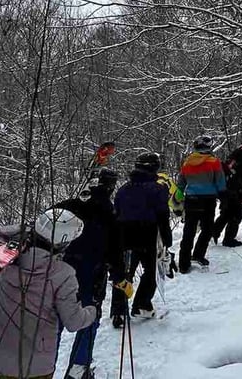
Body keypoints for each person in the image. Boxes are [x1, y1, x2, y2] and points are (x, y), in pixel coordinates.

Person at [0, 209, 97, 379]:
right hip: (36, 366)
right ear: (63, 244)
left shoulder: (5, 258)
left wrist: (26, 228)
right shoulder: (63, 274)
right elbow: (74, 322)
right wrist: (92, 310)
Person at [55, 169, 118, 379]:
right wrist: (120, 277)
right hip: (91, 276)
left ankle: (46, 367)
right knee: (88, 320)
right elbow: (116, 250)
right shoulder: (110, 213)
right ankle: (77, 370)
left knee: (55, 320)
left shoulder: (67, 206)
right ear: (109, 187)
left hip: (60, 274)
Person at [110, 152, 172, 325]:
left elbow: (117, 213)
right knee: (150, 270)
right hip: (147, 233)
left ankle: (118, 311)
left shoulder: (123, 189)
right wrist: (167, 240)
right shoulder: (158, 189)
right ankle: (141, 305)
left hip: (124, 233)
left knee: (125, 271)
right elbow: (163, 216)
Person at [176, 135, 226, 273]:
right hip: (208, 200)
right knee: (207, 229)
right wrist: (224, 198)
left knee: (189, 231)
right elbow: (220, 183)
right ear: (209, 147)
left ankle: (183, 264)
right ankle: (198, 255)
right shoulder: (214, 162)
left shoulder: (187, 162)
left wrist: (177, 202)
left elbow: (180, 184)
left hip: (191, 200)